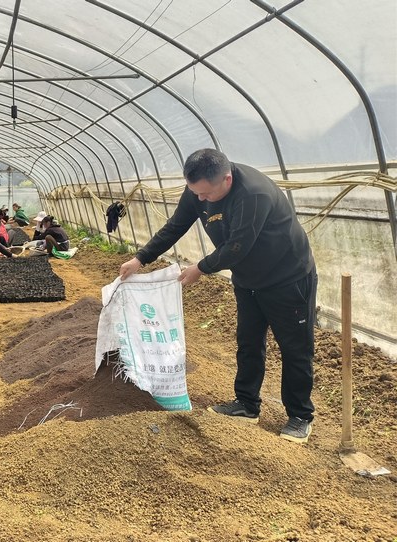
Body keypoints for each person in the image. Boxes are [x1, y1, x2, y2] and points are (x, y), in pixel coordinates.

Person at [118, 148, 317, 443]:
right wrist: (140, 258)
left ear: (226, 179)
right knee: (248, 342)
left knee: (294, 349)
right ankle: (247, 404)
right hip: (248, 280)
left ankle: (300, 416)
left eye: (206, 194)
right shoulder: (199, 190)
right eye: (195, 193)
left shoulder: (254, 194)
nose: (200, 200)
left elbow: (238, 246)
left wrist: (201, 267)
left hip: (287, 279)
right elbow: (176, 226)